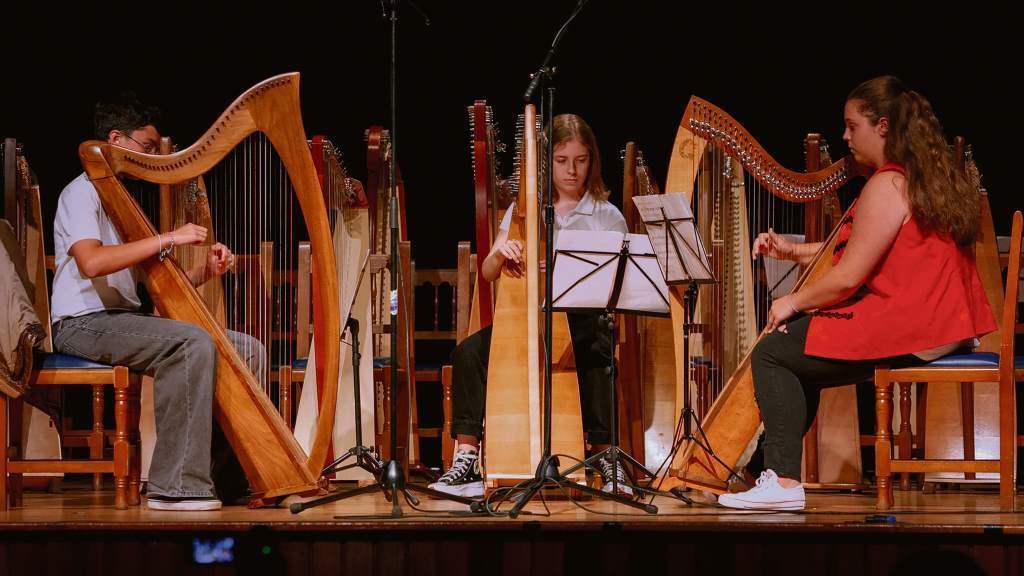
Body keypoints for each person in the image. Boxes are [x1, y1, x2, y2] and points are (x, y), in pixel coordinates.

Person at [717, 76, 997, 511]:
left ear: (882, 126)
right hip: (942, 326)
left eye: (853, 126)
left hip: (911, 327)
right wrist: (791, 250)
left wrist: (792, 301)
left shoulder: (886, 185)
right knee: (796, 354)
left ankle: (784, 483)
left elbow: (849, 276)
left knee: (773, 351)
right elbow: (865, 245)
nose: (846, 136)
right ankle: (763, 473)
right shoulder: (916, 177)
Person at [51, 92, 265, 511]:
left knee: (247, 351)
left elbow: (156, 287)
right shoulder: (80, 193)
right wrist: (170, 237)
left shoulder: (120, 203)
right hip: (82, 323)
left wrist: (207, 270)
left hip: (123, 319)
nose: (150, 158)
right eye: (146, 148)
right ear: (116, 138)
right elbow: (92, 263)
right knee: (190, 343)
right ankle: (175, 486)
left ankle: (222, 478)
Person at [429, 114, 628, 498]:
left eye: (581, 160)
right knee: (469, 353)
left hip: (581, 320)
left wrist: (562, 270)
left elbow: (615, 285)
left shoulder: (606, 215)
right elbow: (488, 272)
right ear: (546, 163)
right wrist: (501, 252)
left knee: (597, 351)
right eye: (561, 160)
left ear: (593, 161)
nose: (572, 170)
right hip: (527, 323)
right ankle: (467, 456)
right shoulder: (524, 211)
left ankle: (606, 455)